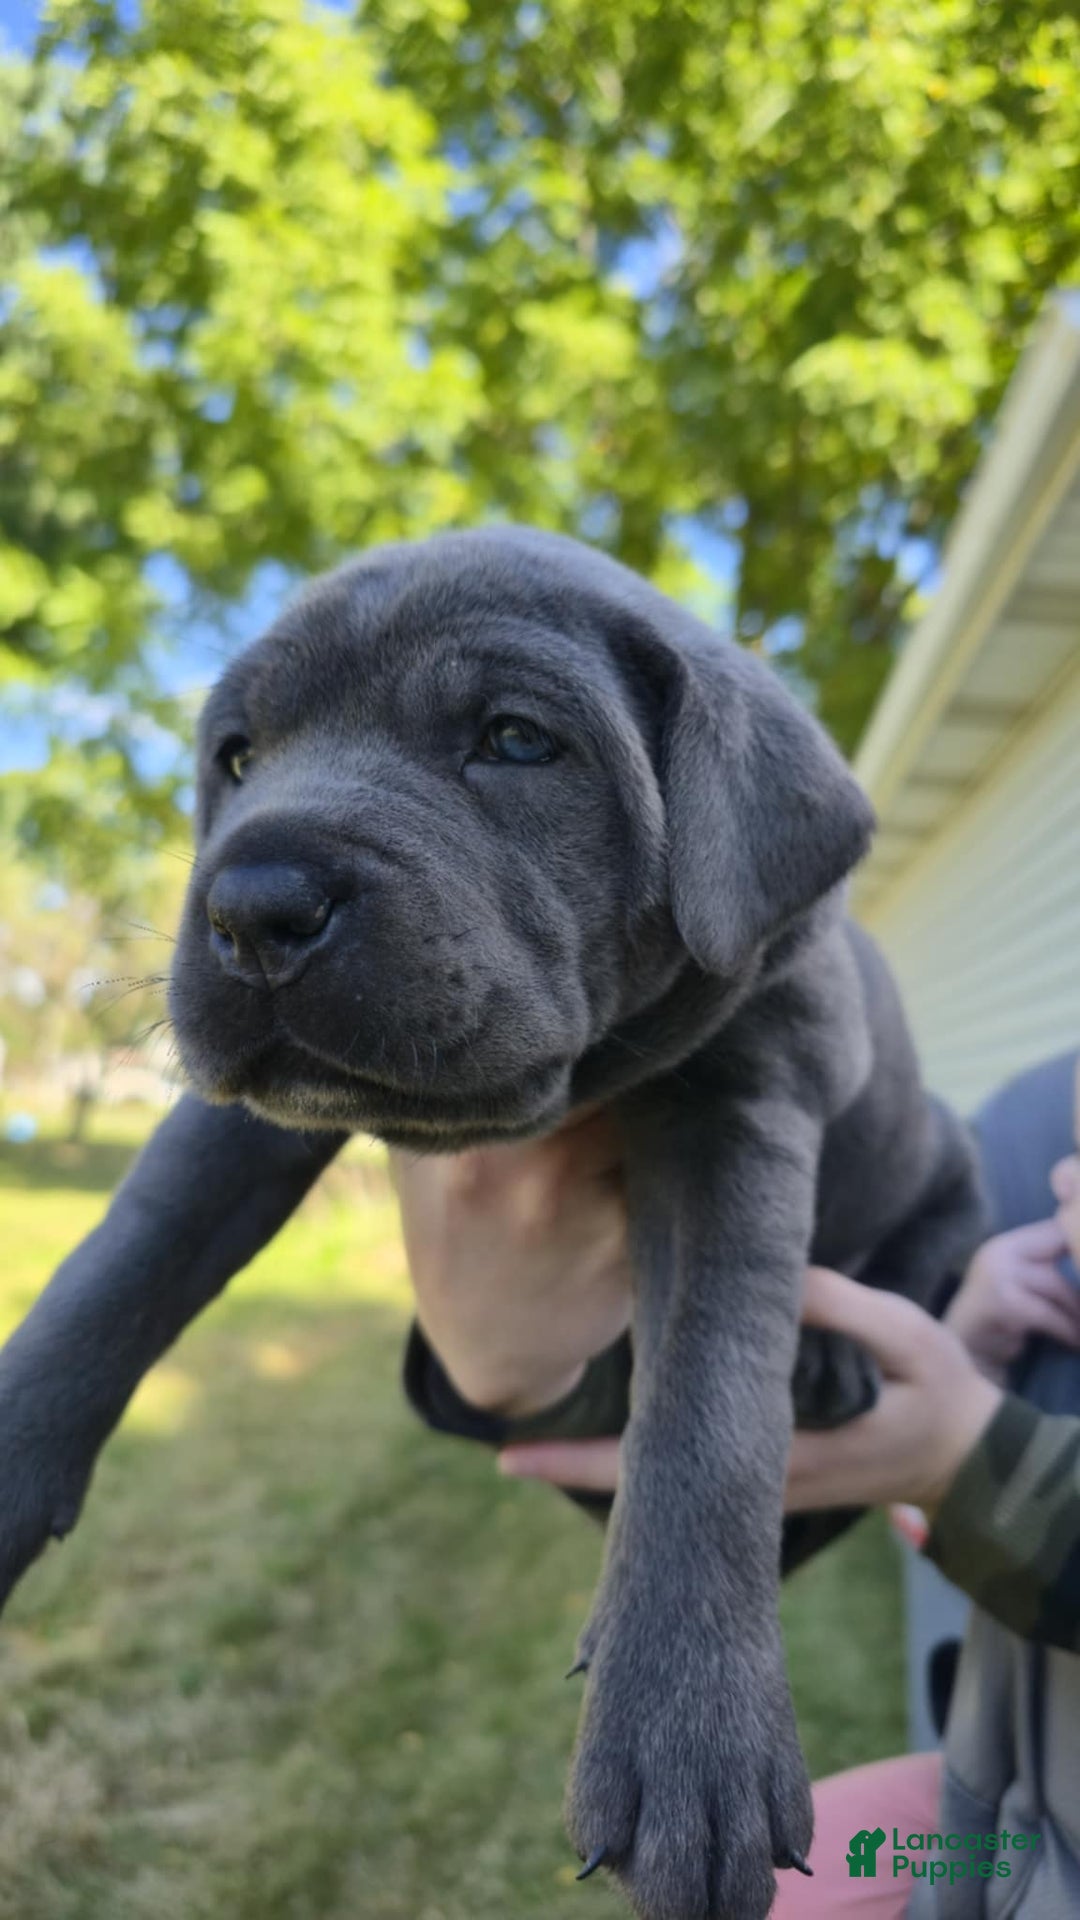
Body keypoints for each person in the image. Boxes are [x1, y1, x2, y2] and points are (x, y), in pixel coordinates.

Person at [389, 1050, 1080, 1917]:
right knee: (794, 1891)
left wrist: (973, 1461)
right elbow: (818, 1410)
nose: (1063, 1177)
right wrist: (532, 1379)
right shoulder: (1029, 1122)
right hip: (997, 1824)